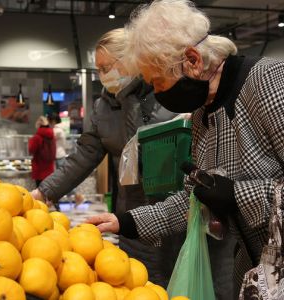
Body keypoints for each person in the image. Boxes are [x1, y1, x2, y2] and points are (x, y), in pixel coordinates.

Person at [87, 0, 284, 299]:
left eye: (158, 81)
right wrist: (125, 222)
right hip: (255, 273)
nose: (157, 92)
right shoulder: (201, 117)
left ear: (192, 60)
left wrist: (237, 195)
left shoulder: (267, 82)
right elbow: (193, 201)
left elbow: (231, 194)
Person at [31, 28, 177, 286]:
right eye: (98, 69)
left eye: (106, 67)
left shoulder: (166, 93)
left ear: (131, 59)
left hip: (173, 214)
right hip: (129, 215)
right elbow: (84, 155)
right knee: (134, 283)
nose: (102, 76)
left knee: (175, 284)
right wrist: (44, 193)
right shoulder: (104, 106)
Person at [28, 116, 56, 187]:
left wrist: (30, 141)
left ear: (38, 125)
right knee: (48, 191)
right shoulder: (52, 136)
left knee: (40, 193)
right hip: (50, 168)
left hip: (39, 169)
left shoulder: (37, 137)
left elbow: (31, 150)